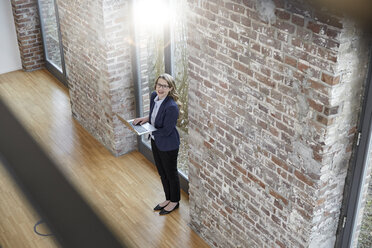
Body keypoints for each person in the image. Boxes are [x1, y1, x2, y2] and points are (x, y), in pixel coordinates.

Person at [133, 73, 181, 215]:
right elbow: (154, 114)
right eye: (159, 85)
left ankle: (174, 201)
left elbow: (166, 131)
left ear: (170, 88)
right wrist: (144, 119)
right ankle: (168, 198)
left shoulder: (172, 107)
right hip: (156, 141)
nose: (160, 88)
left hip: (168, 144)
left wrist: (146, 131)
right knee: (162, 172)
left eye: (164, 86)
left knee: (171, 173)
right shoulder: (154, 96)